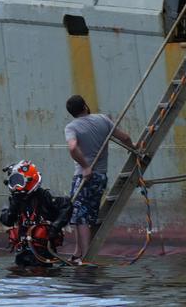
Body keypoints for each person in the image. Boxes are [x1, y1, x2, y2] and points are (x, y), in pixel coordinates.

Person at [64, 94, 133, 260]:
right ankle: (77, 252)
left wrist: (86, 167)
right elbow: (125, 137)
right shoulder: (103, 119)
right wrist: (133, 148)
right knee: (88, 214)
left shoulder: (71, 127)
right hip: (101, 177)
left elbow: (73, 148)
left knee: (79, 216)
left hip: (84, 177)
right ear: (85, 106)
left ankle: (85, 255)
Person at [0, 160, 72, 266]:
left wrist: (55, 227)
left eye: (19, 181)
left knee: (41, 272)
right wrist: (10, 210)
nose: (16, 186)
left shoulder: (44, 197)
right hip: (22, 251)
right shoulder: (17, 200)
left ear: (29, 181)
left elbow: (66, 206)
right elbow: (8, 221)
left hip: (44, 252)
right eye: (13, 182)